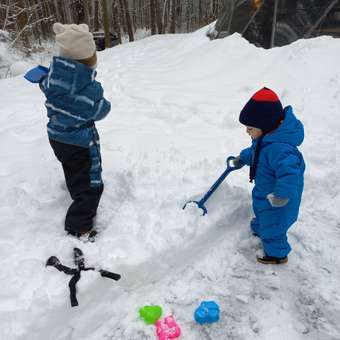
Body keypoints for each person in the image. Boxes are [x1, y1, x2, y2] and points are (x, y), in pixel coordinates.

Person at [39, 23, 111, 239]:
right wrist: (97, 93)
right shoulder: (88, 90)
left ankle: (75, 190)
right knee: (91, 185)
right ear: (89, 59)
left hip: (57, 137)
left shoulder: (52, 77)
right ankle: (79, 225)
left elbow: (44, 84)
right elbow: (101, 110)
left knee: (73, 169)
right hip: (79, 142)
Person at [234, 87, 305, 264]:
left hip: (279, 200)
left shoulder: (280, 149)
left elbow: (291, 175)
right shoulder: (266, 141)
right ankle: (261, 226)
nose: (247, 132)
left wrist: (281, 196)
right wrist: (243, 158)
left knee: (274, 227)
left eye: (250, 128)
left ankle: (277, 254)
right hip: (266, 195)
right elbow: (255, 154)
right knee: (264, 214)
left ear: (264, 126)